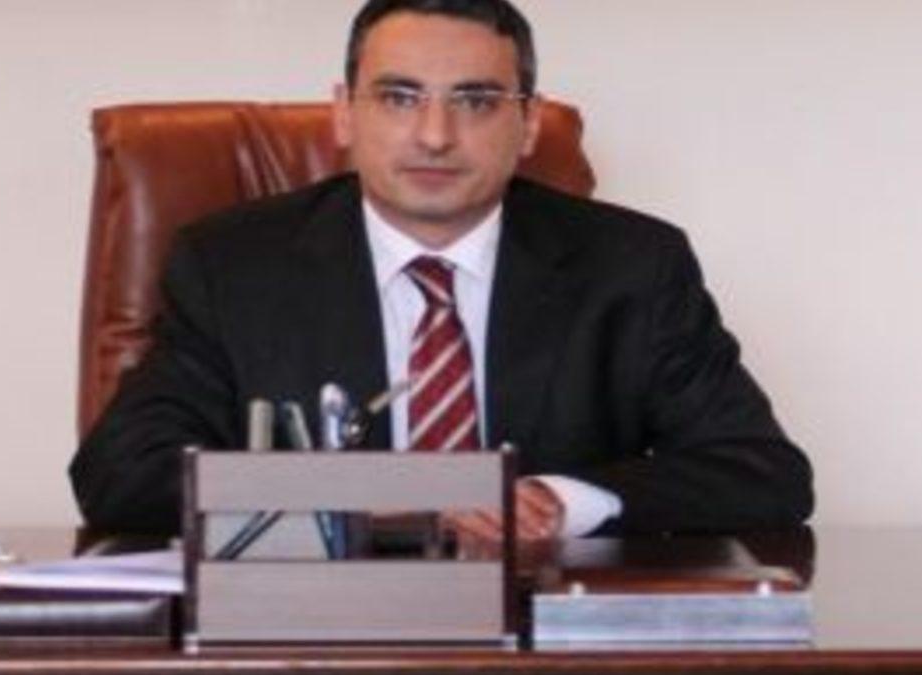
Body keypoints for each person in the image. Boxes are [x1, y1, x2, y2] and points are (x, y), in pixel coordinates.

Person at [69, 0, 813, 544]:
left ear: (527, 124)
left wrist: (562, 502)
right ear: (344, 115)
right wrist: (369, 495)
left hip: (539, 635)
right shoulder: (232, 265)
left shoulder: (633, 267)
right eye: (399, 98)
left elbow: (764, 473)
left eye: (476, 101)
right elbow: (119, 475)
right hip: (311, 630)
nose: (434, 135)